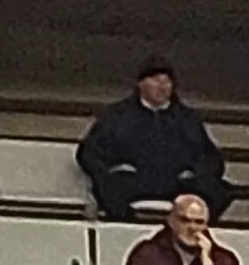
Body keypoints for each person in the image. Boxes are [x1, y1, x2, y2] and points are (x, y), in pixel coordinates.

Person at [77, 57, 229, 220]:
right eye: (155, 81)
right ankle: (126, 227)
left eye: (166, 82)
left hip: (178, 183)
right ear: (141, 84)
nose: (162, 87)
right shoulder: (117, 115)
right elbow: (89, 153)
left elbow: (210, 156)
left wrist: (196, 173)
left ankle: (192, 229)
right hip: (134, 181)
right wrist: (112, 170)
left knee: (219, 190)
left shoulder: (187, 119)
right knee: (110, 188)